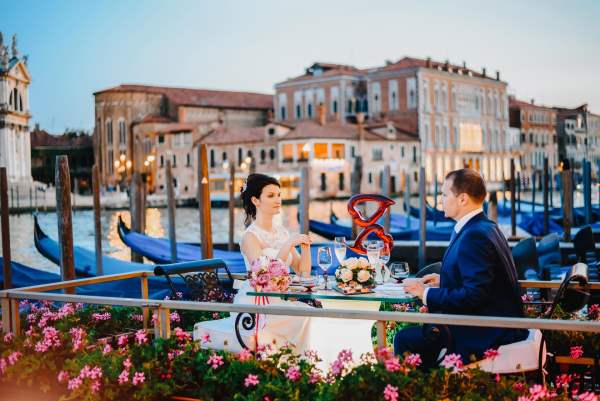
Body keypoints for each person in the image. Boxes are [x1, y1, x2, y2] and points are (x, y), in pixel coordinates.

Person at [394, 168, 527, 367]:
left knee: (404, 339)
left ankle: (426, 391)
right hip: (494, 322)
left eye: (445, 194)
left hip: (487, 331)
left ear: (462, 199)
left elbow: (475, 294)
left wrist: (425, 293)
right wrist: (445, 280)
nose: (440, 200)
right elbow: (483, 281)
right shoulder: (485, 227)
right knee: (421, 330)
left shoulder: (474, 235)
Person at [234, 173, 314, 350]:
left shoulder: (282, 233)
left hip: (279, 299)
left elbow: (303, 271)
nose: (277, 199)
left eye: (279, 195)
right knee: (305, 317)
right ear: (255, 200)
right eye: (270, 196)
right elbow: (264, 276)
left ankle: (304, 368)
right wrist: (287, 245)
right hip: (256, 302)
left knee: (313, 315)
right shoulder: (250, 237)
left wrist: (305, 247)